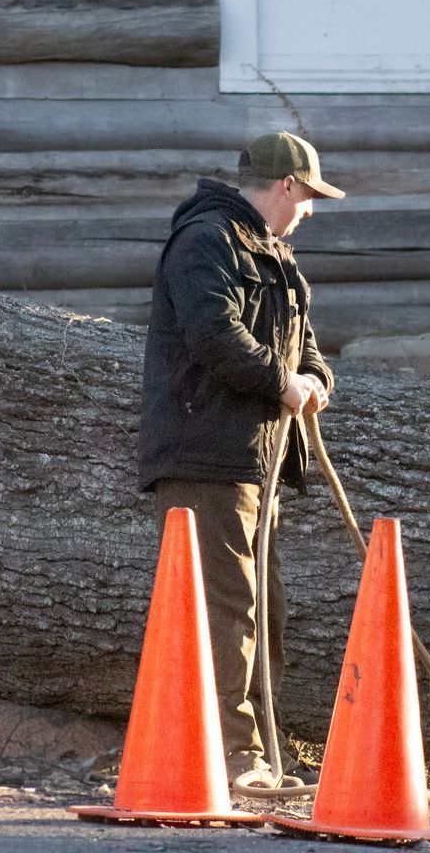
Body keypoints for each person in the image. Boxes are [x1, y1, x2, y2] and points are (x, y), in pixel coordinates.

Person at [136, 131, 341, 790]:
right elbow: (213, 332)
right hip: (207, 459)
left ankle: (260, 751)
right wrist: (282, 383)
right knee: (228, 611)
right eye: (308, 197)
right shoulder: (207, 240)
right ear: (286, 186)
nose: (309, 210)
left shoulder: (274, 254)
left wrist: (313, 381)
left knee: (263, 609)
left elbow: (304, 346)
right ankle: (232, 757)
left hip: (255, 465)